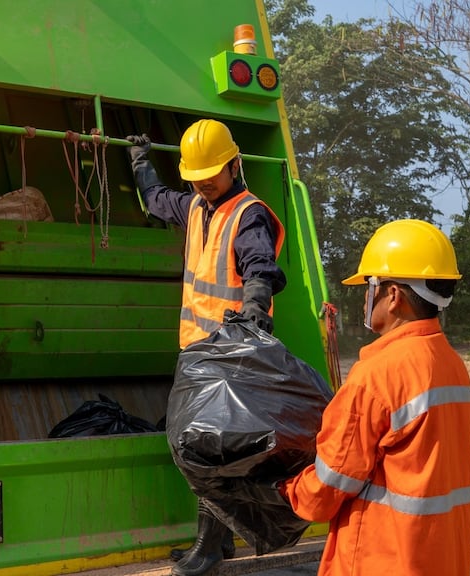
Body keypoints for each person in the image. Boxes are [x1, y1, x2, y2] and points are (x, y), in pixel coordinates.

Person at [126, 119, 287, 576]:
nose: (205, 184)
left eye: (212, 174)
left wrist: (256, 303)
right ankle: (219, 543)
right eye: (197, 177)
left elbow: (259, 262)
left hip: (233, 352)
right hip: (200, 351)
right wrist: (141, 164)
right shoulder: (195, 206)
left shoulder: (247, 212)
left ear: (235, 165)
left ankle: (210, 548)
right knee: (210, 449)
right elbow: (158, 200)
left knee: (209, 452)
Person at [277, 219, 470, 576]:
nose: (365, 298)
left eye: (369, 286)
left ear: (394, 295)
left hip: (382, 558)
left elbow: (330, 484)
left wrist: (285, 491)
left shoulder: (376, 376)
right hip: (440, 558)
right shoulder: (452, 366)